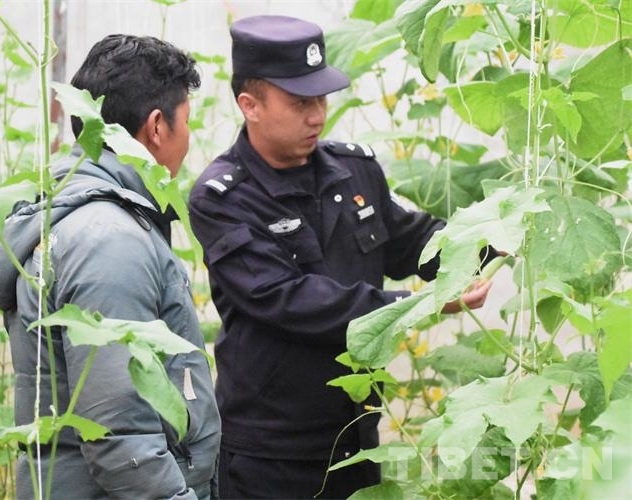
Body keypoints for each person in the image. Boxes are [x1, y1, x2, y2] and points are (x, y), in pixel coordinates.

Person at [187, 15, 494, 499]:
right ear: (250, 105)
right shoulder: (224, 198)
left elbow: (411, 242)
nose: (317, 116)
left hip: (356, 434)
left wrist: (492, 237)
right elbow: (289, 299)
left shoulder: (353, 170)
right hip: (272, 451)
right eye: (300, 103)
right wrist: (417, 306)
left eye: (321, 99)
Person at [0, 34, 220, 499]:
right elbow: (121, 435)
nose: (189, 139)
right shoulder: (109, 239)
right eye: (187, 122)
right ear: (157, 127)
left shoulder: (80, 216)